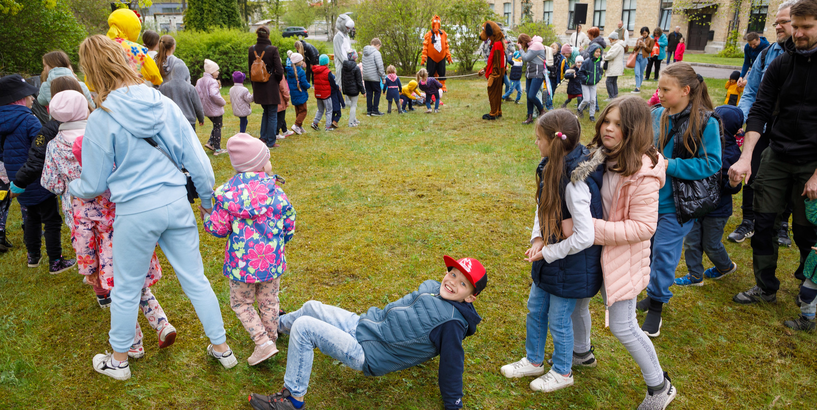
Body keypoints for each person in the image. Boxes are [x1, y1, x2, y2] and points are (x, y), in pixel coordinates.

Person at [70, 35, 234, 380]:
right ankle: (222, 349)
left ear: (91, 72)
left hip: (135, 209)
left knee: (126, 287)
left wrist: (72, 186)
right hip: (175, 200)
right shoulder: (161, 103)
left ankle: (119, 361)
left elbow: (94, 184)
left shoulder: (102, 118)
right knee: (196, 279)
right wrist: (207, 203)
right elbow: (198, 162)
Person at [248, 254, 487, 410]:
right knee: (312, 307)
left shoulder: (452, 323)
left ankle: (292, 399)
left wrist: (454, 404)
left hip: (369, 353)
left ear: (471, 297)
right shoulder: (433, 289)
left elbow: (452, 364)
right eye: (453, 273)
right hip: (364, 325)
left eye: (463, 283)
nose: (453, 281)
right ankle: (273, 327)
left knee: (305, 327)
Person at [46, 90, 174, 358]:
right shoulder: (121, 180)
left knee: (120, 298)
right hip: (135, 242)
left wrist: (88, 268)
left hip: (108, 254)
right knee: (140, 289)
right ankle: (162, 324)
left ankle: (134, 344)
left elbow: (82, 236)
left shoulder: (82, 197)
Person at [567, 96, 676, 409]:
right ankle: (581, 353)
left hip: (622, 258)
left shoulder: (644, 171)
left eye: (618, 124)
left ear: (635, 129)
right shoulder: (599, 157)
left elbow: (643, 228)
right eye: (606, 122)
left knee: (622, 325)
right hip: (591, 252)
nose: (608, 129)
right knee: (578, 302)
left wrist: (589, 229)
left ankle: (659, 386)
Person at [499, 109, 602, 393]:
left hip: (571, 265)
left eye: (538, 138)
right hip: (551, 260)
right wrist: (537, 239)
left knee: (558, 320)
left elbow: (585, 236)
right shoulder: (550, 166)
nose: (535, 143)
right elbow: (541, 207)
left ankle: (562, 371)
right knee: (535, 310)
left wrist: (551, 252)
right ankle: (533, 360)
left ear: (553, 142)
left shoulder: (574, 181)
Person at [728, 0, 817, 308]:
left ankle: (810, 286)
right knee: (763, 224)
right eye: (797, 26)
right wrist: (745, 156)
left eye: (807, 27)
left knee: (807, 232)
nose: (799, 33)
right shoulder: (780, 63)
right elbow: (760, 108)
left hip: (812, 162)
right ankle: (765, 286)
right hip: (777, 153)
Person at [638, 63, 721, 337]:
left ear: (685, 90)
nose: (658, 93)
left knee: (664, 255)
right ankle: (653, 293)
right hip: (648, 200)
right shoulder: (656, 114)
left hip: (679, 205)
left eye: (665, 89)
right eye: (658, 88)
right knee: (648, 252)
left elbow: (711, 164)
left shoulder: (706, 121)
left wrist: (670, 165)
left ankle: (657, 307)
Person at [202, 133, 296, 366]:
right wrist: (281, 241)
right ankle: (270, 338)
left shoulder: (227, 195)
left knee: (242, 303)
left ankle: (263, 342)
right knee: (269, 300)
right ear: (259, 164)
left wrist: (206, 217)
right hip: (272, 261)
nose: (270, 162)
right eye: (267, 158)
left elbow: (218, 228)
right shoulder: (276, 191)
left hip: (241, 265)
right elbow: (289, 221)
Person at [731, 1, 797, 245]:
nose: (777, 27)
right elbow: (751, 91)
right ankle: (748, 220)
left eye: (783, 22)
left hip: (792, 130)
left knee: (789, 177)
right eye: (776, 22)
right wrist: (742, 116)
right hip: (762, 124)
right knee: (751, 169)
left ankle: (782, 224)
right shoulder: (766, 54)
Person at [1, 74, 76, 274]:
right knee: (51, 220)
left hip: (18, 179)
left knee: (31, 218)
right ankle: (55, 261)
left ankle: (33, 256)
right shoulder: (28, 120)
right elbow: (43, 146)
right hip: (39, 179)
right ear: (17, 100)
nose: (32, 99)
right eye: (28, 96)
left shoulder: (3, 122)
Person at [675, 105, 743, 287]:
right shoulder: (701, 144)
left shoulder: (733, 154)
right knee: (691, 241)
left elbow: (732, 187)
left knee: (710, 244)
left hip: (718, 210)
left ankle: (725, 266)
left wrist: (734, 183)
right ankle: (694, 275)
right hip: (696, 205)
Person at [105, 8, 163, 87]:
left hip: (103, 96)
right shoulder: (137, 49)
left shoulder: (99, 46)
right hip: (131, 94)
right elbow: (155, 77)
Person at [249, 27, 285, 148]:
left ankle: (263, 138)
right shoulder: (273, 49)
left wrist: (254, 86)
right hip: (270, 86)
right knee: (272, 113)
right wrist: (275, 80)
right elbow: (279, 70)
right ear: (268, 35)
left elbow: (250, 71)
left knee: (266, 112)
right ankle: (270, 141)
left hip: (258, 87)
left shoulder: (251, 49)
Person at [786, 198, 817, 331]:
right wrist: (811, 200)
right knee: (807, 293)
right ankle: (807, 320)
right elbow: (813, 216)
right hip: (814, 270)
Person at [159, 59, 204, 132]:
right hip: (188, 121)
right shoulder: (190, 88)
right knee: (189, 142)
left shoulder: (164, 87)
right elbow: (197, 106)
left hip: (171, 120)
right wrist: (201, 118)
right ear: (186, 73)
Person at [196, 59, 227, 154]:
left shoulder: (200, 81)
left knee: (216, 125)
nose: (218, 72)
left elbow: (196, 93)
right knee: (218, 126)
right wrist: (222, 102)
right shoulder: (213, 82)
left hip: (205, 108)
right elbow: (214, 95)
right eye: (217, 70)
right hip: (214, 109)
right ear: (212, 71)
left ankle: (211, 142)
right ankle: (217, 149)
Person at [517, 33, 546, 125]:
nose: (522, 45)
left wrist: (520, 49)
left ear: (524, 41)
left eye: (521, 43)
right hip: (530, 74)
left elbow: (526, 58)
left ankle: (542, 110)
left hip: (537, 73)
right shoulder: (531, 46)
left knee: (531, 95)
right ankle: (530, 117)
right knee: (528, 97)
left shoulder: (536, 45)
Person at [421, 15, 454, 91]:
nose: (436, 24)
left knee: (442, 71)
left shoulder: (443, 34)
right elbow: (425, 46)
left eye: (438, 22)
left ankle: (442, 86)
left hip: (441, 57)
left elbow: (446, 45)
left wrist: (448, 56)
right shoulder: (428, 34)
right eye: (435, 22)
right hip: (431, 57)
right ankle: (430, 85)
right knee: (430, 72)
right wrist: (424, 57)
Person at [285, 53, 310, 135]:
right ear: (299, 62)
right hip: (301, 94)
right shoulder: (301, 72)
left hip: (294, 94)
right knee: (303, 111)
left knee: (298, 111)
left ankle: (299, 126)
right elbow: (304, 84)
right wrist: (308, 85)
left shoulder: (290, 71)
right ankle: (296, 125)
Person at [577, 48, 603, 122]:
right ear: (592, 52)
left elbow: (600, 71)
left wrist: (599, 77)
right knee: (586, 99)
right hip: (585, 83)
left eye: (599, 52)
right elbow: (580, 72)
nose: (598, 53)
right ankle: (579, 109)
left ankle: (592, 115)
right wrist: (586, 79)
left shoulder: (598, 61)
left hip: (593, 83)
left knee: (593, 100)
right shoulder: (586, 62)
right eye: (596, 52)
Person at [362, 38, 386, 116]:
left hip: (366, 76)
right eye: (379, 47)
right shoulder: (376, 53)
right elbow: (380, 66)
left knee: (369, 93)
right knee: (377, 92)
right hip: (374, 76)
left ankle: (369, 111)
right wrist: (383, 77)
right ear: (378, 45)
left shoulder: (364, 52)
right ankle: (375, 110)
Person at [311, 54, 334, 132]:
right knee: (329, 110)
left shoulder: (316, 71)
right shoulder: (327, 72)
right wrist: (336, 87)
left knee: (320, 109)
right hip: (326, 94)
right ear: (327, 63)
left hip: (318, 94)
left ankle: (315, 122)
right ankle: (328, 126)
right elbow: (332, 82)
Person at [333, 14, 355, 91]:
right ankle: (338, 99)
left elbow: (349, 49)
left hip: (348, 64)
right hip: (341, 64)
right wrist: (345, 62)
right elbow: (339, 52)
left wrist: (353, 57)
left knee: (348, 82)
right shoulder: (337, 37)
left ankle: (348, 99)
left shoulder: (347, 36)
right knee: (339, 81)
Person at [342, 50, 366, 123]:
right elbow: (359, 81)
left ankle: (354, 119)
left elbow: (342, 79)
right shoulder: (356, 68)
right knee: (353, 105)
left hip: (347, 90)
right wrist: (363, 91)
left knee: (352, 104)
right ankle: (351, 122)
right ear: (354, 57)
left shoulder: (343, 68)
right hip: (354, 90)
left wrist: (344, 90)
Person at [631, 27, 654, 93]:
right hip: (637, 57)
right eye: (642, 33)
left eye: (645, 33)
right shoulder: (639, 39)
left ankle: (638, 86)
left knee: (641, 73)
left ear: (648, 32)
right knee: (637, 72)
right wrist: (638, 45)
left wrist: (645, 46)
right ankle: (637, 87)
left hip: (644, 57)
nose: (644, 35)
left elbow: (650, 50)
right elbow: (635, 49)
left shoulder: (651, 40)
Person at [603, 32, 625, 100]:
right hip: (615, 66)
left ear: (613, 39)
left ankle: (611, 96)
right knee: (613, 81)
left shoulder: (617, 45)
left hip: (614, 67)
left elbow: (611, 55)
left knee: (609, 81)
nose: (610, 41)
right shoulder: (618, 45)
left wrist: (604, 57)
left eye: (610, 39)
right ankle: (615, 95)